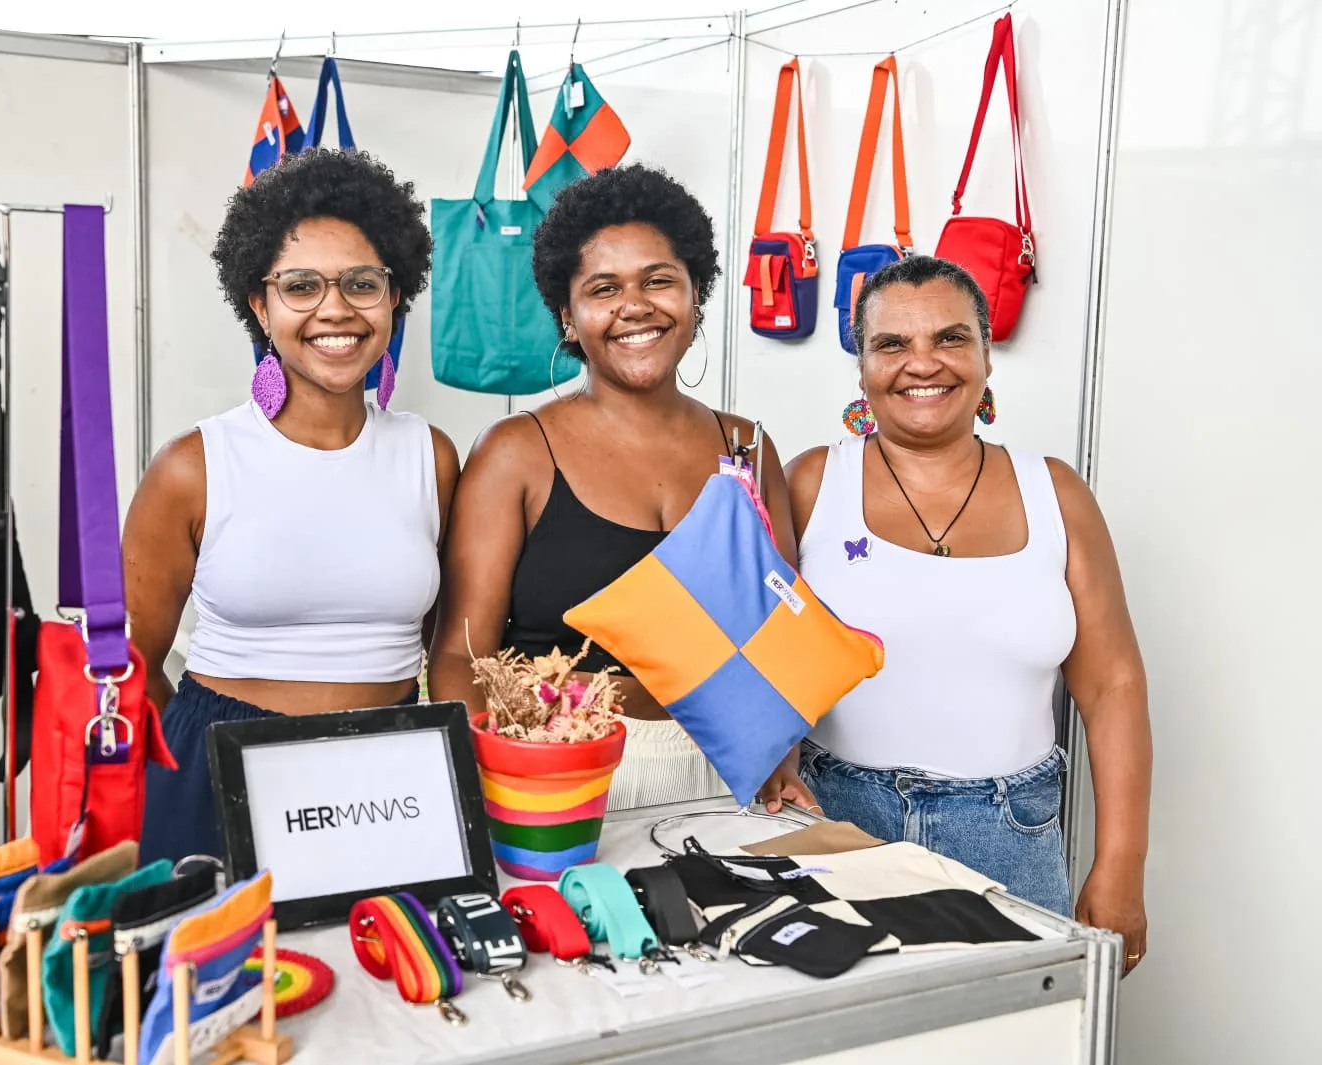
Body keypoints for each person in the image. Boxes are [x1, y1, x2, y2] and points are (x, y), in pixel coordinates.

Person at [784, 255, 1151, 970]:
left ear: (987, 355)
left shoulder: (1057, 495)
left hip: (1012, 836)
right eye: (891, 343)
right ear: (861, 368)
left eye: (950, 338)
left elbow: (1113, 689)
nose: (922, 362)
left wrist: (1122, 865)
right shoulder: (810, 483)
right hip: (839, 826)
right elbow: (750, 654)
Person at [429, 164, 815, 814]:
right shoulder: (516, 453)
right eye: (604, 288)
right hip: (557, 763)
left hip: (721, 771)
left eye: (658, 280)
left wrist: (778, 758)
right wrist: (489, 787)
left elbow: (779, 642)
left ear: (695, 295)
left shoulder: (746, 447)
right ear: (568, 317)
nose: (635, 306)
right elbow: (458, 655)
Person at [124, 149, 459, 864]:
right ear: (259, 302)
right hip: (221, 772)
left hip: (389, 775)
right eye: (300, 285)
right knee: (229, 974)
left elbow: (442, 641)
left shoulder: (430, 457)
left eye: (362, 284)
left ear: (394, 296)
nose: (334, 309)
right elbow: (135, 666)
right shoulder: (193, 466)